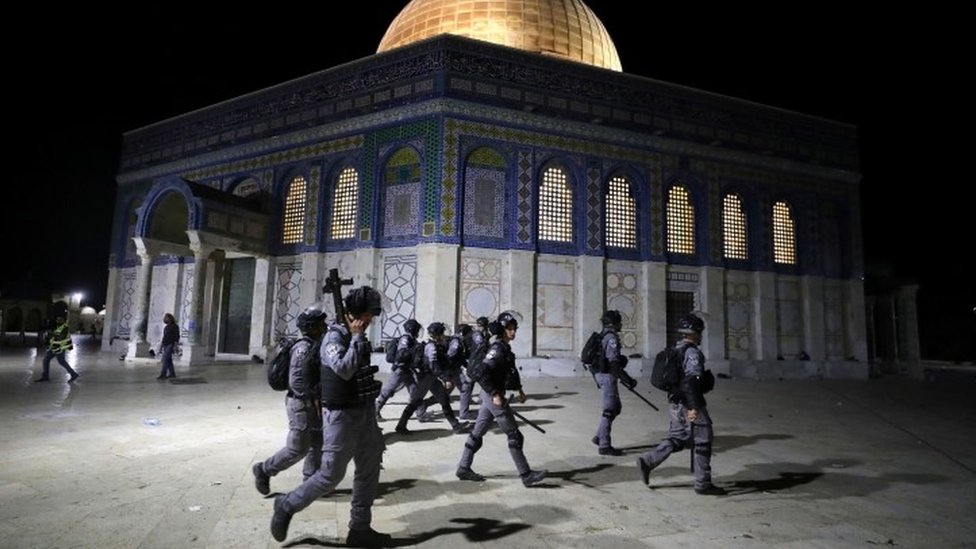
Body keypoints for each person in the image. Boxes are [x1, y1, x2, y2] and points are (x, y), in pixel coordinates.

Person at [270, 286, 391, 546]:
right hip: (341, 417)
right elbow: (344, 369)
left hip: (364, 413)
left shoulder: (354, 333)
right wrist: (357, 337)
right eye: (369, 316)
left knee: (369, 470)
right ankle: (286, 505)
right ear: (357, 315)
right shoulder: (334, 338)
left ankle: (359, 528)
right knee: (329, 475)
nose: (371, 321)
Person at [636, 313, 726, 495]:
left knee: (677, 437)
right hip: (689, 403)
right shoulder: (692, 353)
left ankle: (648, 461)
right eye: (699, 332)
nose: (701, 336)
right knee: (703, 439)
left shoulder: (675, 349)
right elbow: (691, 382)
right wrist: (694, 408)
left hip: (675, 402)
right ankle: (703, 483)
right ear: (694, 333)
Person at [455, 311, 547, 487]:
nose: (513, 332)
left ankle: (463, 468)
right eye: (509, 329)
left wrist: (519, 389)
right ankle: (526, 475)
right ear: (502, 330)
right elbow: (481, 372)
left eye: (514, 329)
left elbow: (510, 370)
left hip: (492, 395)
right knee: (514, 435)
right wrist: (495, 394)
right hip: (492, 395)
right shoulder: (497, 349)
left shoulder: (504, 347)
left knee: (476, 434)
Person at [252, 303, 327, 496]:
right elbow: (297, 382)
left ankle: (311, 481)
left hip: (312, 403)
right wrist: (312, 397)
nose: (324, 327)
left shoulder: (313, 345)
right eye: (320, 324)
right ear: (311, 327)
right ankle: (264, 469)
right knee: (297, 448)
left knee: (317, 442)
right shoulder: (303, 349)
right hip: (301, 404)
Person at [393, 322, 469, 435]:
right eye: (442, 333)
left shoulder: (435, 345)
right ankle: (401, 426)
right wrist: (445, 379)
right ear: (437, 334)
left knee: (444, 399)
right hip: (425, 378)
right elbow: (434, 366)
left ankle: (455, 425)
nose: (444, 335)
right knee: (415, 402)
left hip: (432, 378)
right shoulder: (431, 347)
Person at [590, 310, 637, 456]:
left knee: (616, 407)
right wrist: (628, 380)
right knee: (609, 409)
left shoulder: (603, 335)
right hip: (607, 376)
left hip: (600, 374)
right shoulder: (611, 338)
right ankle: (604, 445)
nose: (620, 324)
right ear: (613, 323)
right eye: (619, 322)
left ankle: (599, 436)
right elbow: (614, 364)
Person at [374, 319, 423, 419]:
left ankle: (420, 413)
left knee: (415, 391)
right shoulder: (405, 339)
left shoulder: (412, 340)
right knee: (388, 390)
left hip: (408, 370)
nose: (418, 332)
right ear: (412, 329)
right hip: (399, 370)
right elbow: (402, 353)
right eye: (417, 329)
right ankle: (375, 410)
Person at [34, 315, 79, 383]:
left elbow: (61, 337)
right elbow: (52, 337)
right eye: (57, 320)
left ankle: (73, 374)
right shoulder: (56, 327)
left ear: (64, 320)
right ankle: (45, 376)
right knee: (46, 360)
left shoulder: (65, 328)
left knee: (61, 361)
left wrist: (52, 333)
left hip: (60, 348)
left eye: (60, 320)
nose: (58, 321)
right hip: (54, 347)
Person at [448, 324, 477, 420]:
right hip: (453, 370)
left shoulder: (460, 341)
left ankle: (424, 404)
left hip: (455, 369)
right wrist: (447, 375)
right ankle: (464, 413)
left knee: (444, 393)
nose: (470, 335)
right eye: (468, 333)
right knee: (466, 388)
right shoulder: (456, 343)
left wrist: (466, 366)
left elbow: (460, 357)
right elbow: (450, 357)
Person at [157, 313, 180, 380]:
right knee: (168, 360)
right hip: (165, 344)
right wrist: (161, 346)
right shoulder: (166, 327)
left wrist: (175, 345)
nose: (165, 319)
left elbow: (176, 336)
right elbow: (164, 337)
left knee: (165, 360)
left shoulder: (175, 326)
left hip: (170, 344)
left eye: (166, 317)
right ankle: (172, 373)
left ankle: (163, 374)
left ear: (170, 318)